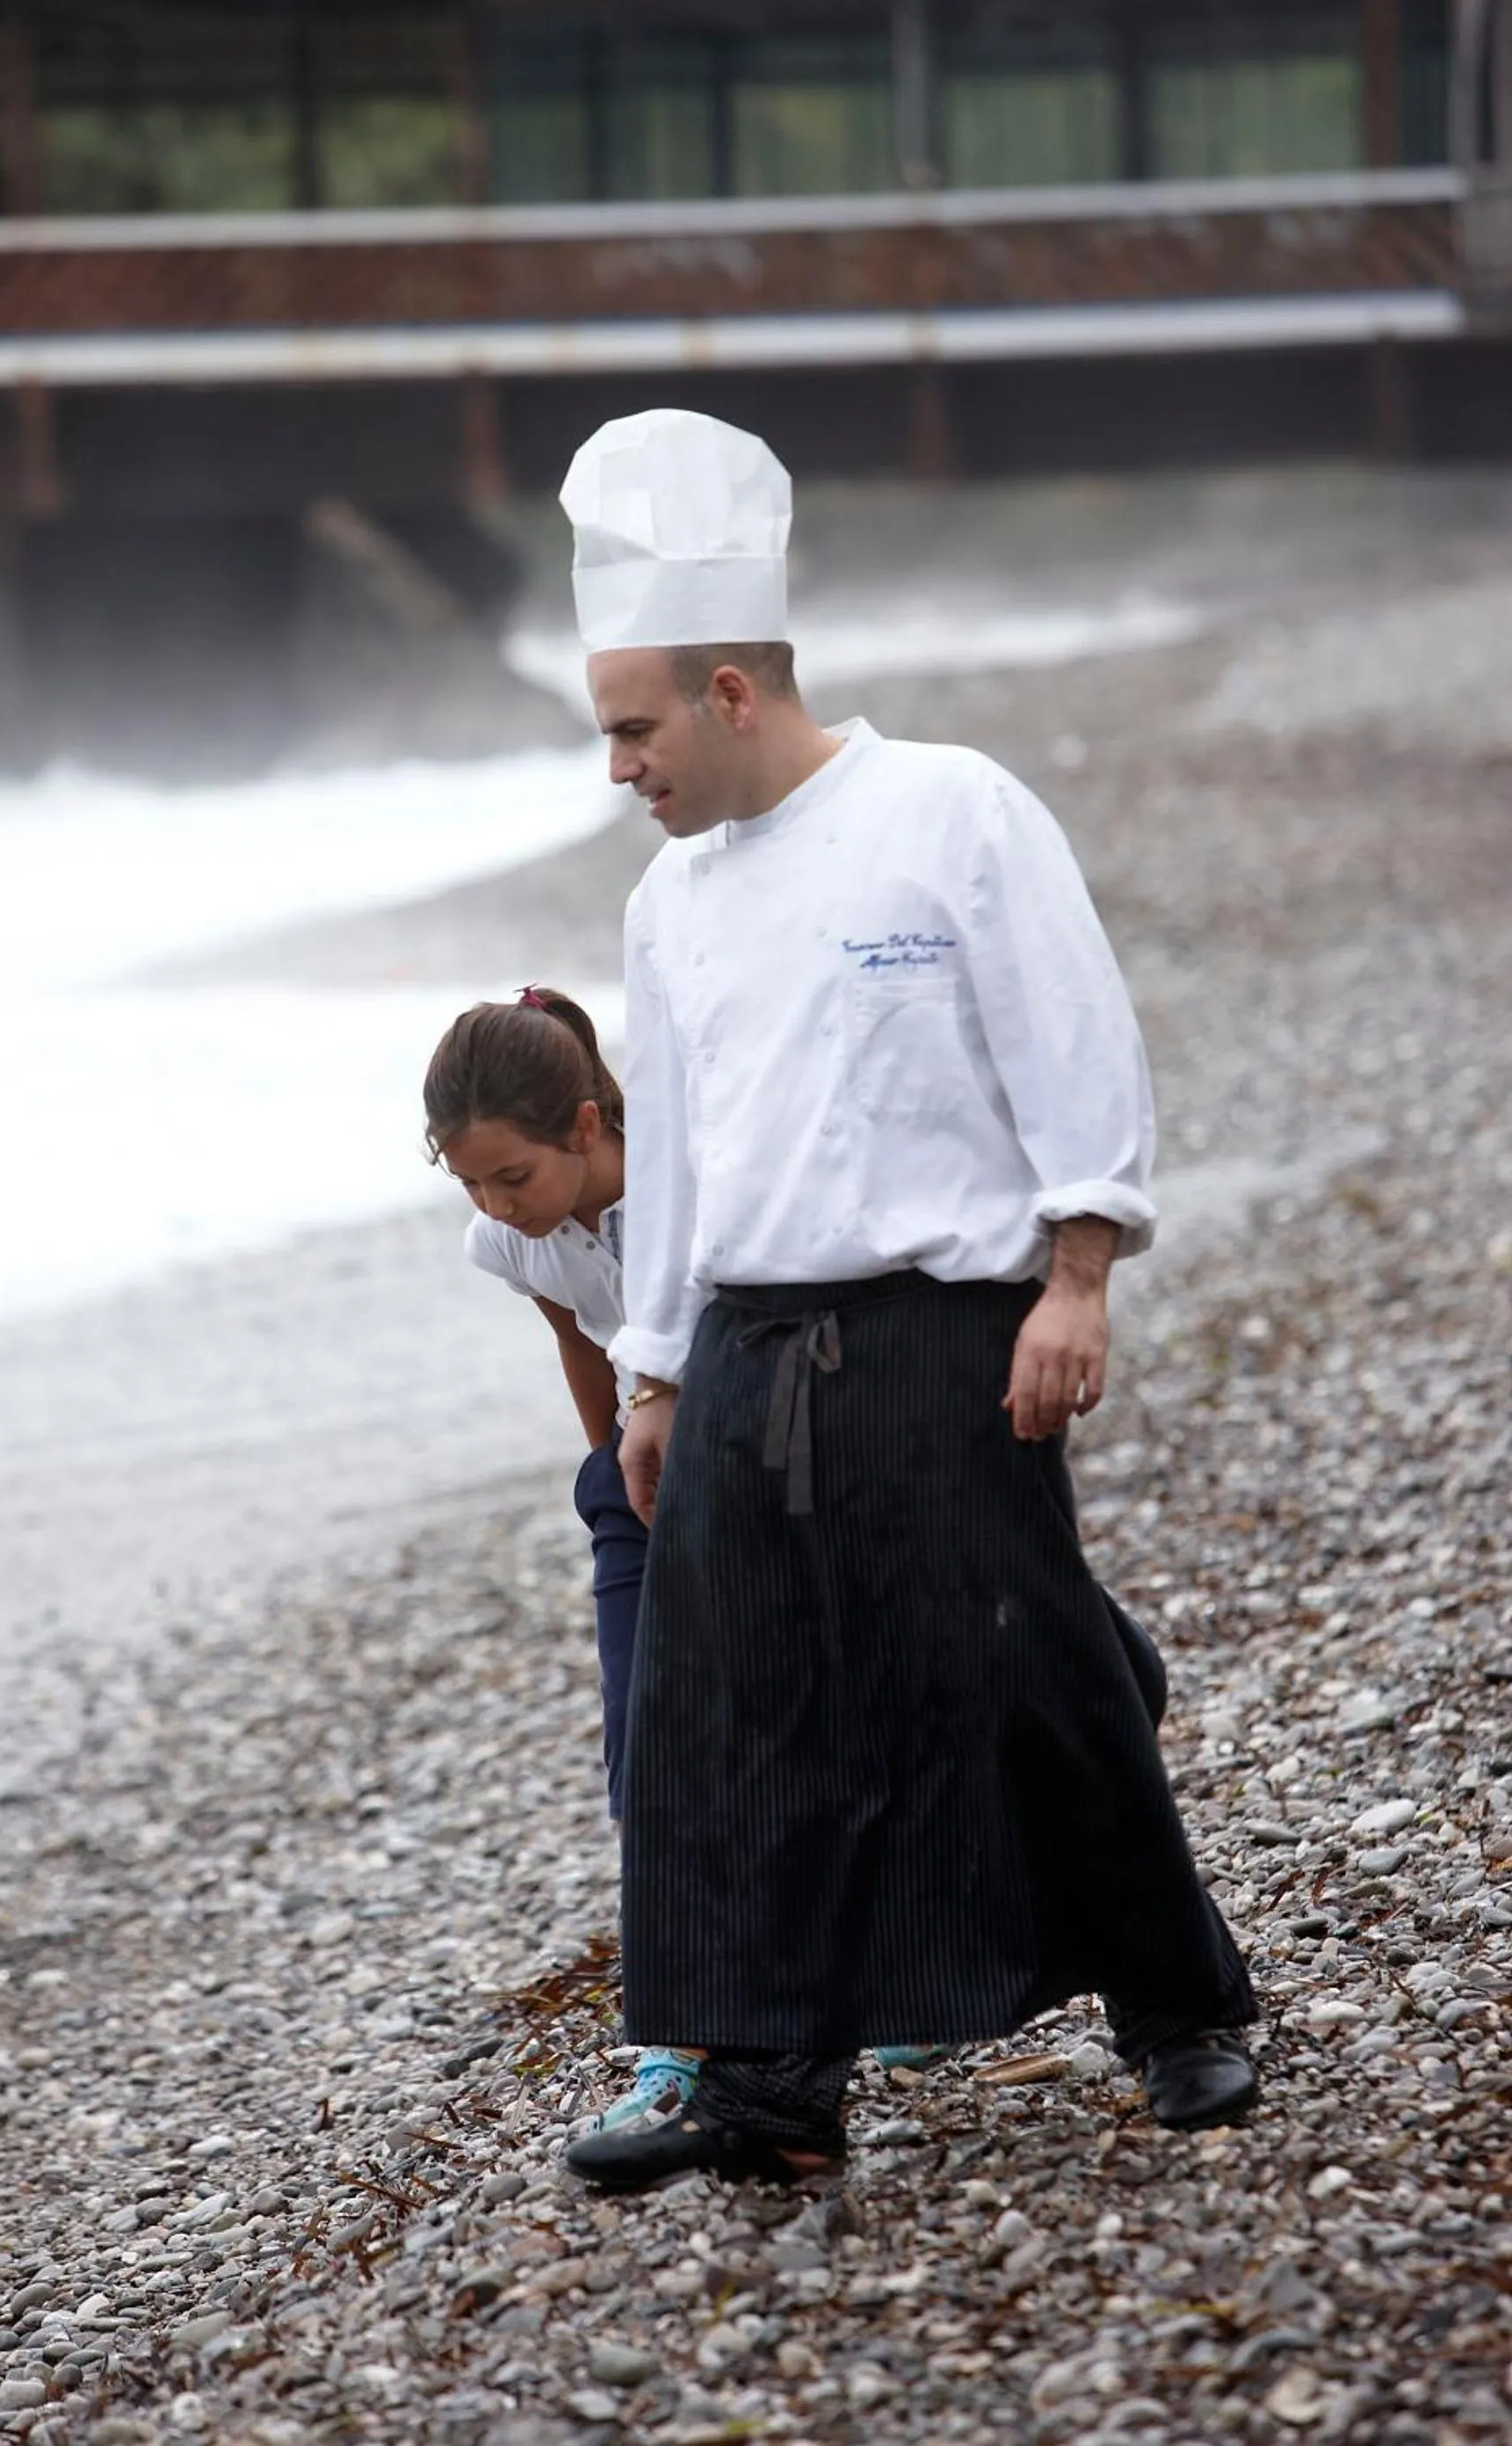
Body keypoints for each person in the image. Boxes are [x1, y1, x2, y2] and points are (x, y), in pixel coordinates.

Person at [554, 408, 1259, 2192]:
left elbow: (1069, 1035)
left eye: (631, 728)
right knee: (726, 1719)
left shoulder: (947, 809)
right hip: (742, 1347)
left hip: (949, 1331)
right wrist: (650, 1381)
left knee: (1025, 1679)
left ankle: (1178, 2011)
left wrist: (1077, 1273)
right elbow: (690, 1154)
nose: (615, 767)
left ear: (728, 691)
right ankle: (768, 2081)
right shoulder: (666, 905)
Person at [423, 985, 704, 2134]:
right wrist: (616, 1484)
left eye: (513, 1178)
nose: (497, 1206)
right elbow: (577, 1338)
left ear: (586, 1127)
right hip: (640, 1479)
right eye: (472, 1184)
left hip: (756, 1459)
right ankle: (676, 2043)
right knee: (646, 1752)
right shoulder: (510, 1237)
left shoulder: (695, 1184)